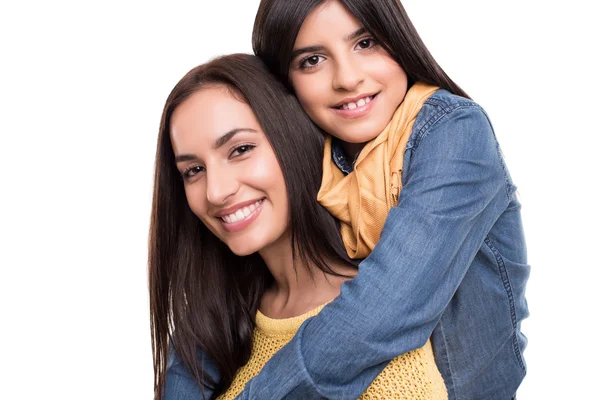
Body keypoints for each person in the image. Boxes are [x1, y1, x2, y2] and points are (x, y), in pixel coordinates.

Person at [233, 1, 530, 399]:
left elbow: (383, 311)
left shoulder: (454, 133)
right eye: (313, 60)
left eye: (366, 42)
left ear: (398, 38)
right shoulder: (308, 149)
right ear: (283, 82)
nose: (347, 78)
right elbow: (217, 294)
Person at [149, 54, 449, 400]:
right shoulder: (216, 330)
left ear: (294, 138)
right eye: (193, 171)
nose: (216, 191)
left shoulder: (386, 356)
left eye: (241, 149)